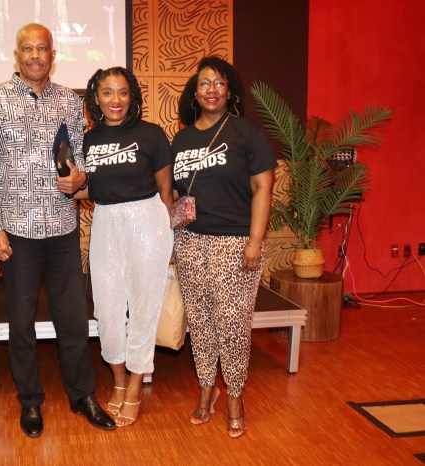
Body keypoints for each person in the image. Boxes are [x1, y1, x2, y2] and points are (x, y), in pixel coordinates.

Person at [0, 22, 115, 438]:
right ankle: (30, 401)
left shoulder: (70, 102)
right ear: (16, 56)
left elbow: (81, 160)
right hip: (15, 233)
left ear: (53, 55)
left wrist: (80, 180)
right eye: (27, 49)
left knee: (73, 320)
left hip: (62, 228)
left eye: (43, 49)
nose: (35, 56)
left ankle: (81, 394)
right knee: (21, 322)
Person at [171, 56, 277, 438]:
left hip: (235, 242)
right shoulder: (181, 139)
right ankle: (205, 388)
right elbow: (175, 194)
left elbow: (264, 187)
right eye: (204, 83)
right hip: (190, 241)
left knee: (232, 324)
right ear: (194, 92)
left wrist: (255, 241)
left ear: (229, 90)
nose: (211, 89)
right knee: (199, 321)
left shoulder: (247, 132)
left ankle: (234, 394)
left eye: (219, 82)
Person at [76, 67, 173, 427]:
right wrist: (66, 185)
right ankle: (117, 379)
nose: (115, 100)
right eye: (107, 93)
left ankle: (134, 386)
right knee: (108, 308)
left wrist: (170, 238)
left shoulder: (150, 134)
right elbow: (91, 190)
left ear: (131, 97)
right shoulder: (88, 139)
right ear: (95, 99)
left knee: (144, 310)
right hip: (105, 223)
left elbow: (166, 191)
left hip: (148, 221)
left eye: (122, 93)